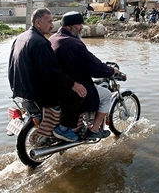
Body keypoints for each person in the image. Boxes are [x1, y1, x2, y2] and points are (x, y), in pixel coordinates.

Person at [8, 8, 87, 142]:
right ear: (38, 23)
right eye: (49, 21)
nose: (52, 25)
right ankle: (63, 129)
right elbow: (51, 72)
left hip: (20, 89)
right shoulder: (40, 42)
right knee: (79, 94)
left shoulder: (21, 37)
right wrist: (73, 84)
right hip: (37, 92)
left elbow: (11, 65)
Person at [49, 11, 120, 140]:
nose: (82, 28)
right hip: (74, 86)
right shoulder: (73, 43)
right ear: (69, 26)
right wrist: (111, 70)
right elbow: (93, 65)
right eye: (79, 25)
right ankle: (94, 129)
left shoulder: (53, 38)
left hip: (58, 85)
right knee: (106, 95)